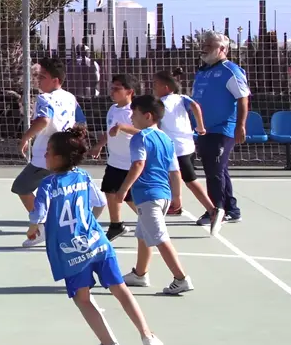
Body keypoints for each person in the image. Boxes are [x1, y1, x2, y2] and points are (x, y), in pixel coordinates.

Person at [27, 125, 163, 345]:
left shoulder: (48, 185)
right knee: (119, 288)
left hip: (70, 251)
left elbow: (38, 214)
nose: (45, 155)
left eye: (48, 151)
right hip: (97, 241)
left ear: (60, 158)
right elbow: (99, 203)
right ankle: (147, 334)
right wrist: (87, 223)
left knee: (82, 298)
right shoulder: (83, 176)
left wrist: (33, 230)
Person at [119, 95, 194, 296]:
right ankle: (140, 274)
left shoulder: (140, 138)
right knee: (143, 235)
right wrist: (177, 197)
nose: (131, 119)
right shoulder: (166, 139)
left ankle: (181, 278)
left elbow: (138, 164)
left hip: (148, 195)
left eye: (134, 114)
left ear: (147, 116)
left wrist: (123, 189)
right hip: (163, 195)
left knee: (160, 238)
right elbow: (175, 171)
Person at [13, 57, 78, 247]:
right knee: (59, 193)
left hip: (46, 156)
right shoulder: (70, 98)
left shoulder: (45, 98)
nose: (38, 80)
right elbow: (78, 121)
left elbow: (44, 120)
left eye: (43, 77)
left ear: (56, 80)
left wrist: (26, 137)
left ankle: (43, 227)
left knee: (21, 187)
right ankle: (64, 228)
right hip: (66, 152)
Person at [191, 31, 249, 233]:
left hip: (223, 128)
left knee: (214, 171)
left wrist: (240, 125)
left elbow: (242, 98)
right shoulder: (202, 71)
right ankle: (232, 210)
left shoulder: (230, 71)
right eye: (204, 44)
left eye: (209, 45)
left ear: (222, 49)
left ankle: (216, 210)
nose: (204, 48)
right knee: (219, 169)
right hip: (203, 129)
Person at [153, 68, 217, 218]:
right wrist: (200, 127)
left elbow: (157, 123)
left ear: (166, 87)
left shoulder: (160, 103)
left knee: (189, 180)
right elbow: (195, 106)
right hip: (187, 146)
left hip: (176, 148)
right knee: (172, 176)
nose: (154, 87)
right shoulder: (182, 98)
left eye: (156, 84)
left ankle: (212, 209)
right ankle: (175, 205)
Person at [89, 73, 138, 241]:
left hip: (130, 164)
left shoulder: (134, 112)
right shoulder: (112, 108)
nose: (113, 91)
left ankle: (151, 222)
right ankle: (116, 225)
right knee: (110, 191)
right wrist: (99, 145)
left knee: (129, 197)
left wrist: (123, 127)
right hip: (114, 162)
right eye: (112, 88)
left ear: (129, 91)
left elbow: (145, 133)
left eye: (117, 89)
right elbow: (109, 132)